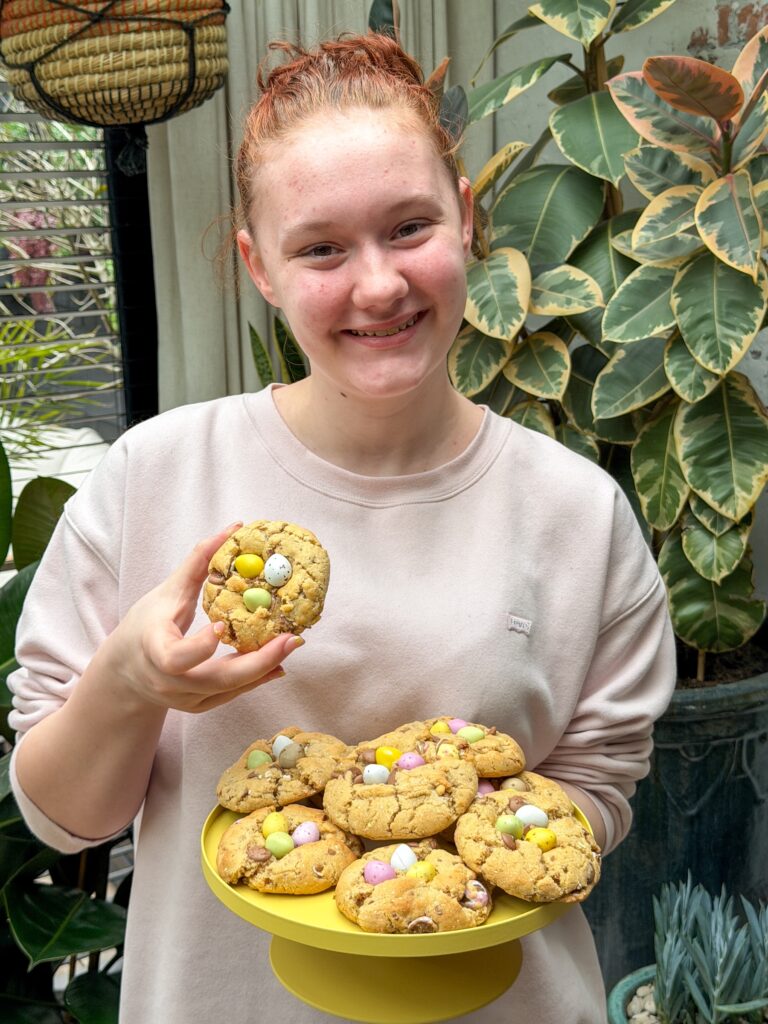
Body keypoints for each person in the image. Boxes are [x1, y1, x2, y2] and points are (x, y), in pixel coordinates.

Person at [8, 32, 677, 1024]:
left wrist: (423, 860)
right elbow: (64, 817)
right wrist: (130, 680)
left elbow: (596, 787)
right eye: (320, 247)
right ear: (259, 267)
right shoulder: (155, 477)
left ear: (467, 218)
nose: (377, 286)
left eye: (410, 227)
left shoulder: (575, 513)